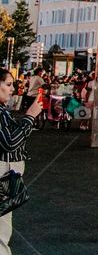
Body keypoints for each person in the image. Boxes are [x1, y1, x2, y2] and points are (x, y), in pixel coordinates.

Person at [1, 68, 41, 255]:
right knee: (1, 230)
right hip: (3, 171)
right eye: (8, 84)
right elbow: (10, 143)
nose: (12, 89)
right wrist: (30, 117)